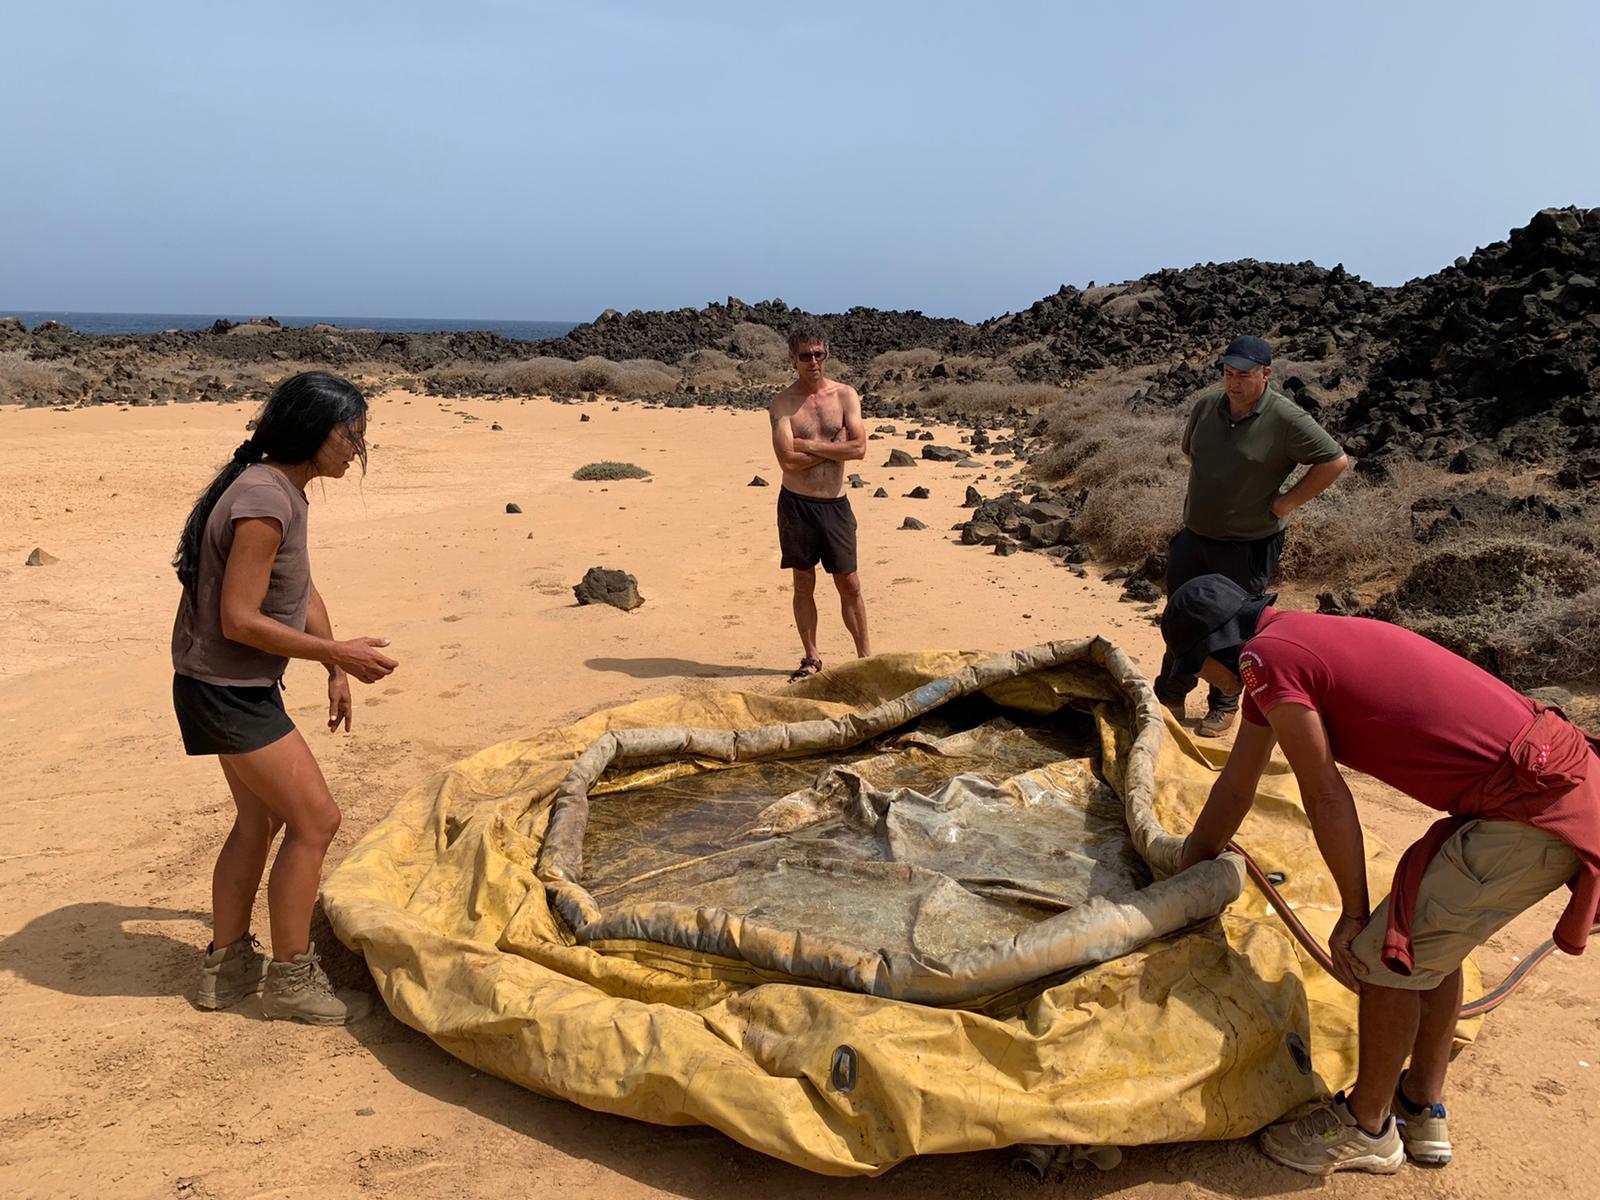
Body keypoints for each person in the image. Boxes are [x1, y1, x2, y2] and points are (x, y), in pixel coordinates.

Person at [1164, 574, 1598, 1175]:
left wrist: (1352, 911)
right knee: (1427, 950)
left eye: (1194, 668)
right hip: (1547, 786)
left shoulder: (1266, 661)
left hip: (1534, 811)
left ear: (1215, 651)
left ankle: (1367, 1128)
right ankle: (1420, 1104)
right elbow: (1239, 780)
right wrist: (1186, 863)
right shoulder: (1289, 646)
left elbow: (1325, 796)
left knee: (1386, 957)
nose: (1203, 682)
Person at [171, 371, 399, 1025]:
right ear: (316, 432)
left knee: (261, 820)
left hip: (219, 684)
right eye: (352, 433)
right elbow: (239, 618)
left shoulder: (279, 489)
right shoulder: (264, 500)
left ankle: (228, 968)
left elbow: (296, 587)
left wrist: (331, 667)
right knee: (316, 820)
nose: (356, 449)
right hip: (227, 690)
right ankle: (291, 977)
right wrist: (336, 653)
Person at [1155, 335, 1348, 736]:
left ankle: (1223, 705)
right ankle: (1170, 694)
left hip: (1247, 545)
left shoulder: (1285, 418)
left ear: (1266, 374)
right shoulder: (1207, 405)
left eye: (1243, 375)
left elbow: (1334, 460)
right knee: (1181, 616)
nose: (1233, 382)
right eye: (1228, 373)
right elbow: (1192, 452)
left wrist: (1286, 503)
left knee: (1229, 627)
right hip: (1195, 536)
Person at [768, 321, 870, 682]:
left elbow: (858, 449)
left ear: (826, 355)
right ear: (792, 358)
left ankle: (865, 659)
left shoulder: (845, 396)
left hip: (834, 505)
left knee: (850, 584)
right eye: (805, 355)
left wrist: (808, 444)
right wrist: (833, 448)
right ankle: (811, 657)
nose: (813, 361)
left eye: (819, 354)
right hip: (796, 504)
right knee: (803, 582)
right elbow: (786, 461)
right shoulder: (783, 404)